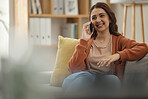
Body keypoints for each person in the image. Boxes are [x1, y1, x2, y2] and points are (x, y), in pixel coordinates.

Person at [62, 2, 148, 95]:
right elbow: (73, 68)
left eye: (101, 16)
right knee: (83, 78)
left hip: (106, 78)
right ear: (90, 22)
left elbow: (143, 47)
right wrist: (83, 41)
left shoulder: (119, 40)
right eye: (94, 18)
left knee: (113, 80)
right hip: (86, 77)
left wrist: (118, 55)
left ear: (110, 19)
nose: (98, 20)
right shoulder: (86, 41)